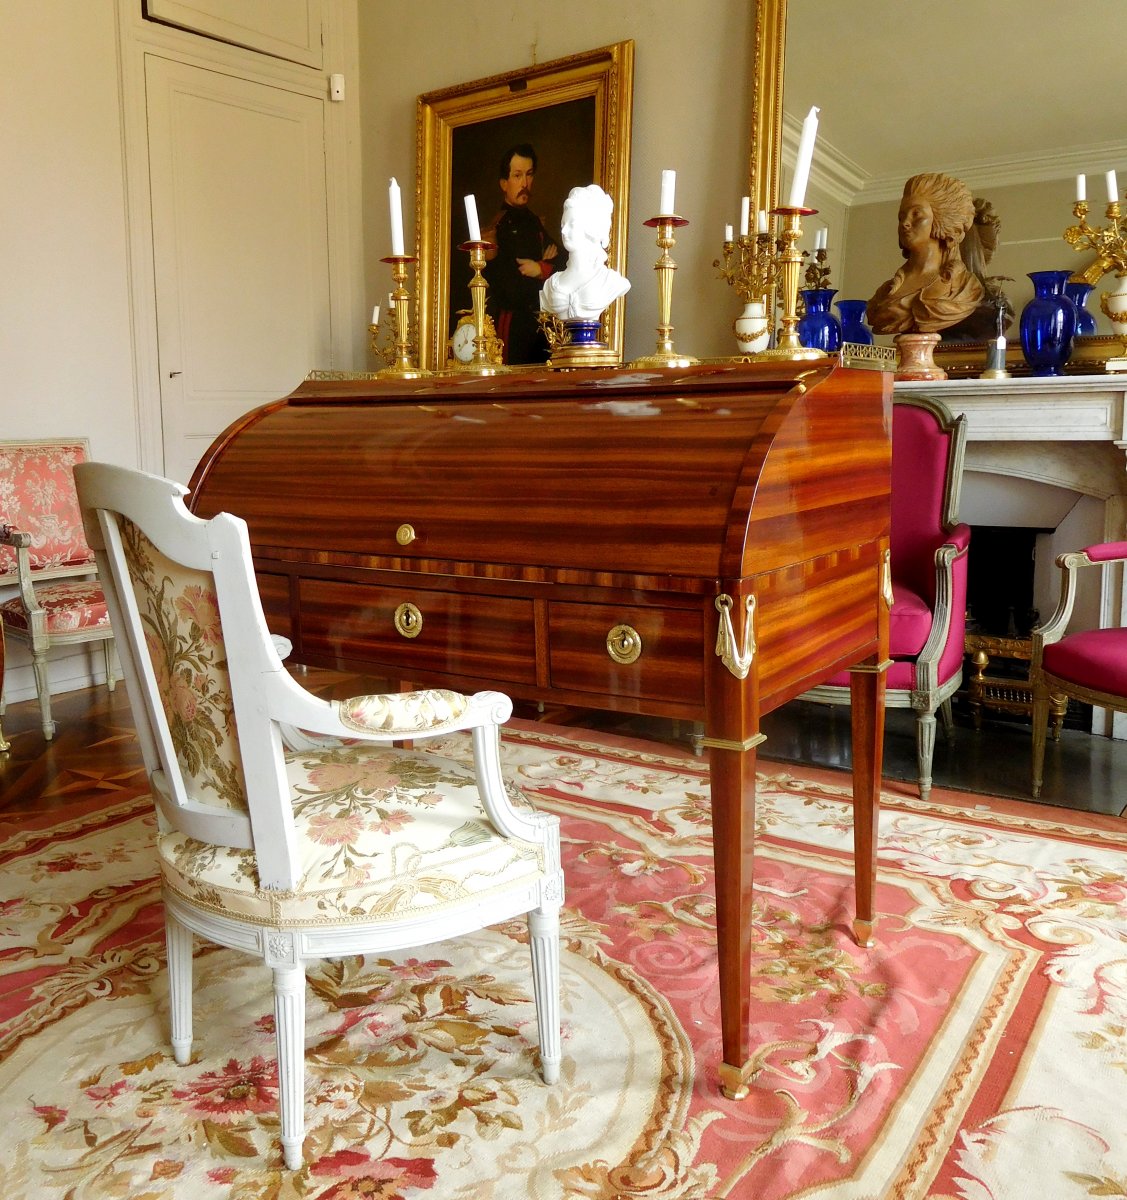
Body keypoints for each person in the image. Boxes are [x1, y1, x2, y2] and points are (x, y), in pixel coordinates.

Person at [866, 172, 984, 335]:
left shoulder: (964, 288)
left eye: (916, 214)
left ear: (940, 220)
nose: (905, 223)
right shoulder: (883, 294)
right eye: (901, 217)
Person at [481, 143, 563, 364]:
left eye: (529, 175)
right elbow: (509, 288)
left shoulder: (534, 222)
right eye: (517, 176)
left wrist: (541, 268)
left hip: (541, 324)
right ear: (504, 183)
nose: (525, 183)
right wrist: (541, 267)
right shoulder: (497, 228)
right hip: (513, 324)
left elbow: (562, 260)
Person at [540, 184, 630, 322]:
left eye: (572, 225)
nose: (563, 231)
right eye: (563, 225)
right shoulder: (552, 284)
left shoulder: (610, 281)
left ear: (592, 227)